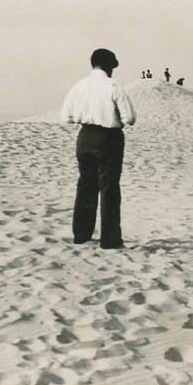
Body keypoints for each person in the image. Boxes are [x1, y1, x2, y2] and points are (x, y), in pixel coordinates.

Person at [60, 48, 136, 250]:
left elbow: (65, 117)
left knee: (86, 186)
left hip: (84, 138)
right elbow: (130, 118)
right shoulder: (113, 86)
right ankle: (110, 240)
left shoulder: (79, 86)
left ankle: (81, 235)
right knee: (109, 189)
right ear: (109, 66)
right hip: (108, 139)